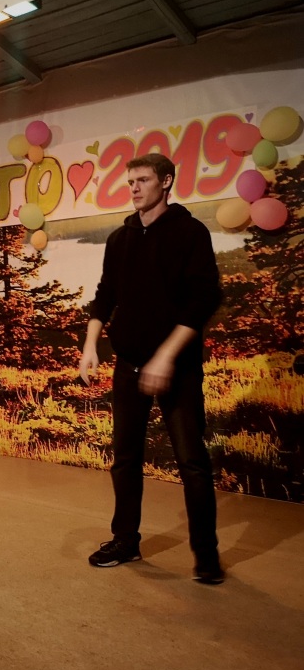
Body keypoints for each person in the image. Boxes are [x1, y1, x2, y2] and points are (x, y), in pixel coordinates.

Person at [78, 153, 224, 584]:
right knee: (125, 458)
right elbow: (106, 295)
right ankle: (126, 541)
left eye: (143, 180)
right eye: (131, 182)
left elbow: (204, 299)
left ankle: (206, 557)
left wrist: (166, 356)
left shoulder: (190, 232)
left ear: (166, 181)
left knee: (191, 462)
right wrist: (90, 344)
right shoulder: (119, 238)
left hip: (178, 369)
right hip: (129, 365)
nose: (135, 188)